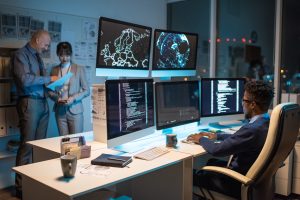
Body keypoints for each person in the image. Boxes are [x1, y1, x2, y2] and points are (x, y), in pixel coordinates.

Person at [187, 80, 274, 199]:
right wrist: (217, 135)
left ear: (253, 104)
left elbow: (217, 150)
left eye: (244, 100)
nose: (242, 103)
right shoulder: (266, 122)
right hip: (253, 179)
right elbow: (241, 138)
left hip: (236, 183)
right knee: (211, 163)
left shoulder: (252, 129)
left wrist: (201, 139)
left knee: (187, 175)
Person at [12, 30, 58, 198]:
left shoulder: (38, 57)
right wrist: (49, 79)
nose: (46, 48)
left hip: (43, 104)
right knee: (27, 147)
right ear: (37, 40)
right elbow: (25, 80)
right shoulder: (20, 55)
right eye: (45, 44)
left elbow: (42, 82)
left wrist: (56, 93)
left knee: (39, 148)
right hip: (29, 103)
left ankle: (35, 184)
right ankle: (21, 189)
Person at [48, 41, 90, 136]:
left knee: (76, 141)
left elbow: (86, 90)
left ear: (71, 54)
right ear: (58, 55)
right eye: (61, 55)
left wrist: (74, 98)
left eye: (67, 55)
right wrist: (56, 98)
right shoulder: (54, 70)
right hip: (60, 111)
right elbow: (50, 91)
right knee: (64, 141)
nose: (64, 58)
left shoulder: (78, 69)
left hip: (75, 111)